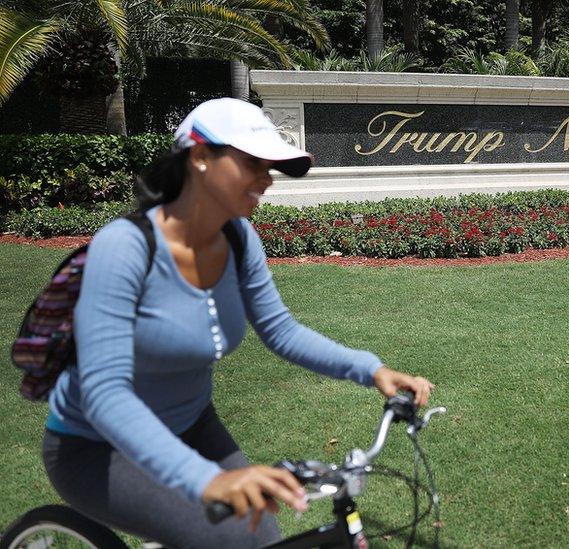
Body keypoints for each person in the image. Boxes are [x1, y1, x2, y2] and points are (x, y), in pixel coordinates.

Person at [41, 98, 434, 548]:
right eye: (252, 162)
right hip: (96, 448)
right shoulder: (124, 249)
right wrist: (205, 479)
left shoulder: (238, 237)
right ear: (200, 157)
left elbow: (281, 330)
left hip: (192, 423)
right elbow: (105, 392)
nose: (267, 178)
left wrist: (372, 369)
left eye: (270, 166)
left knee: (258, 529)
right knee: (228, 534)